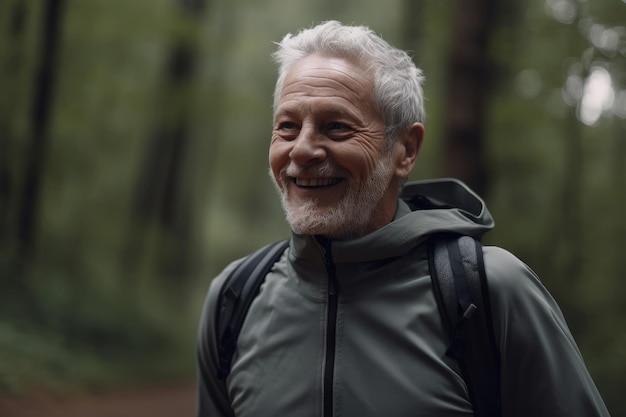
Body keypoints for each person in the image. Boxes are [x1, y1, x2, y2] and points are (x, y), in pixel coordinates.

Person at [196, 21, 610, 417]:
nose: (302, 150)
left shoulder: (489, 291)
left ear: (405, 150)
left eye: (336, 127)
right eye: (287, 127)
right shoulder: (235, 298)